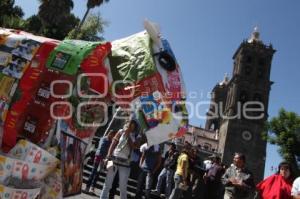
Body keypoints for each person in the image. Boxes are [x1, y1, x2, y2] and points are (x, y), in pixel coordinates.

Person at [99, 119, 140, 199]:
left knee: (122, 186)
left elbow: (134, 147)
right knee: (107, 183)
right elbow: (113, 144)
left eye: (131, 126)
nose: (128, 127)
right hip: (113, 159)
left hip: (126, 163)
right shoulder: (120, 131)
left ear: (134, 127)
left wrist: (128, 135)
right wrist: (108, 156)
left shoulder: (136, 136)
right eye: (128, 125)